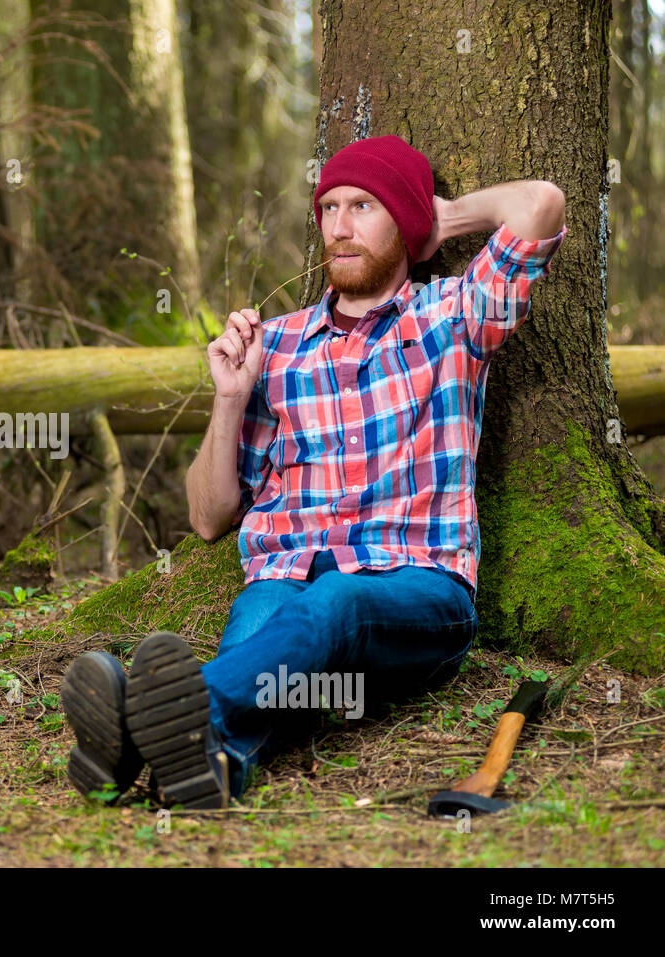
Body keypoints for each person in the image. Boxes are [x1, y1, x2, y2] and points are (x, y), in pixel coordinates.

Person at [61, 134, 567, 809]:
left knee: (334, 602)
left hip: (416, 598)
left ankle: (133, 726)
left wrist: (440, 217)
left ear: (404, 222)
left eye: (363, 205)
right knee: (268, 612)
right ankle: (207, 764)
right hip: (286, 581)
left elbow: (542, 203)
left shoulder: (454, 316)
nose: (339, 226)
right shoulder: (274, 345)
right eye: (328, 207)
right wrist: (230, 396)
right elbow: (209, 517)